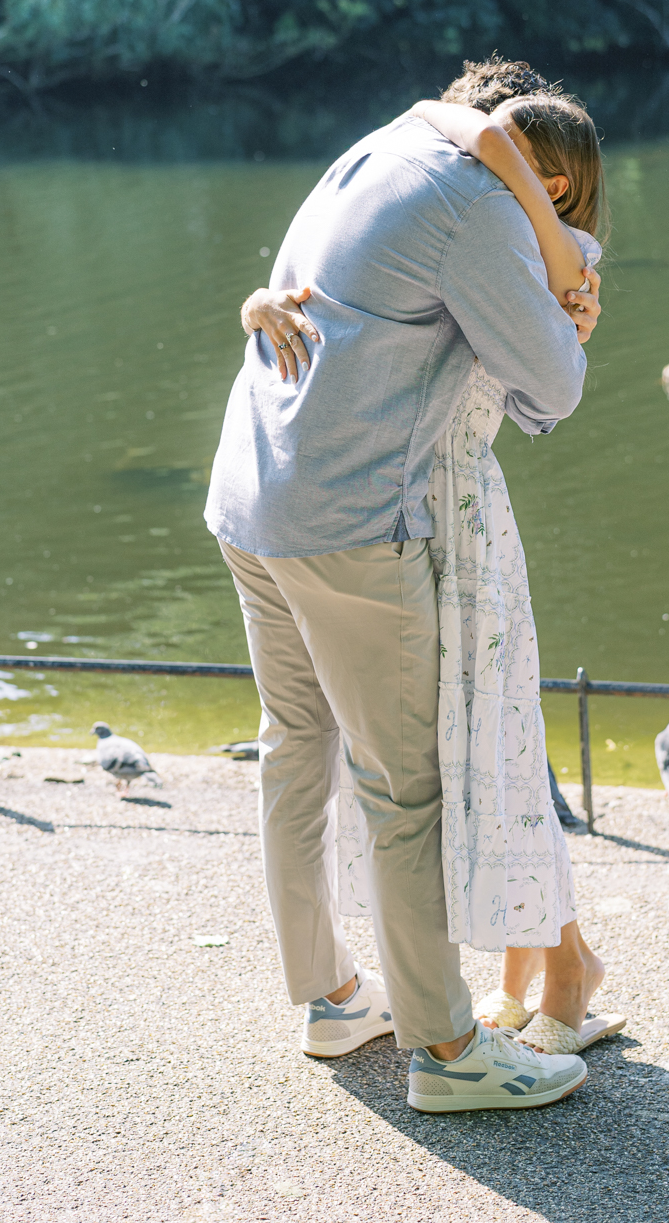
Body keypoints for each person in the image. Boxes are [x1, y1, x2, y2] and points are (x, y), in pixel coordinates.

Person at [205, 61, 603, 1114]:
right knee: (404, 786)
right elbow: (553, 385)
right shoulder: (468, 203)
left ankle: (330, 996)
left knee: (296, 744)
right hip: (347, 524)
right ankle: (446, 1048)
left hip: (249, 494)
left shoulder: (373, 151)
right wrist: (558, 275)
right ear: (513, 151)